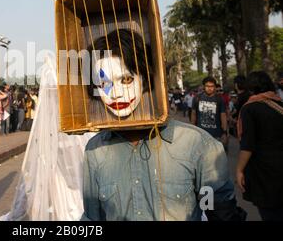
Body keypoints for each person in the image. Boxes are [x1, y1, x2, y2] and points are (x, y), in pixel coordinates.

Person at [82, 30, 244, 221]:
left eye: (126, 79)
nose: (115, 93)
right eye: (104, 83)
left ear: (145, 80)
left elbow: (221, 212)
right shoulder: (95, 150)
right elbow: (92, 218)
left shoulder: (196, 144)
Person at [236, 71, 283, 221]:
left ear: (251, 87)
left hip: (264, 173)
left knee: (270, 213)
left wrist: (239, 170)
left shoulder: (250, 108)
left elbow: (247, 145)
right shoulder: (279, 104)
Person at [191, 76, 228, 151]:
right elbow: (193, 113)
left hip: (216, 135)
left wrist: (224, 132)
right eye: (207, 86)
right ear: (203, 86)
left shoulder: (219, 99)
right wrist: (192, 129)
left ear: (214, 87)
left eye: (212, 86)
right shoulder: (197, 98)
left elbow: (223, 116)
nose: (210, 88)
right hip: (201, 134)